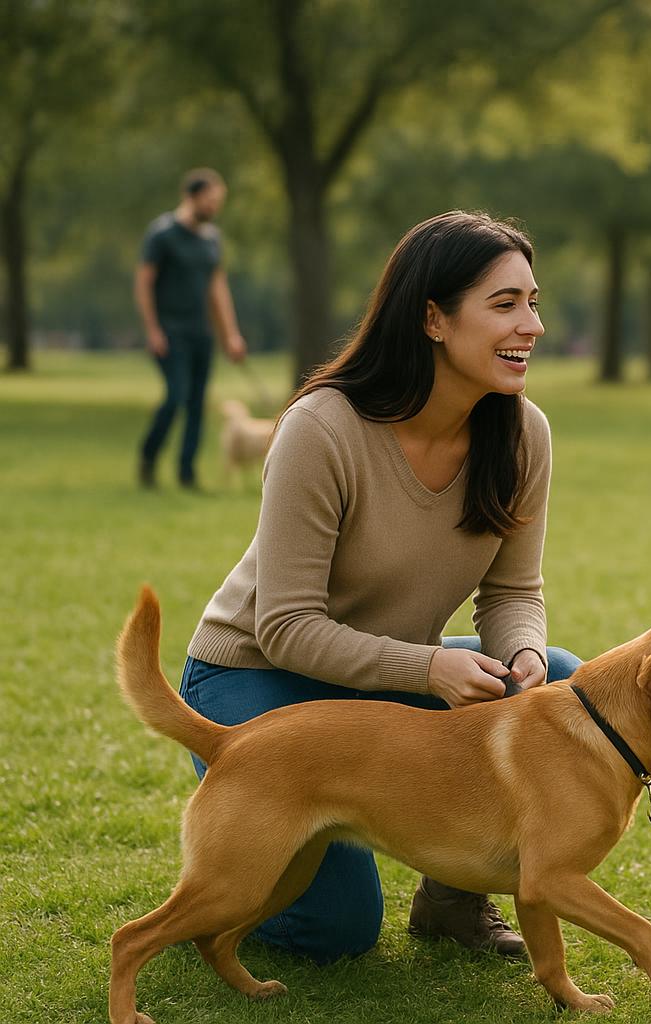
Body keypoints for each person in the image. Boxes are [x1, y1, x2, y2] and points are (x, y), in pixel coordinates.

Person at [177, 210, 581, 964]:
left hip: (375, 678)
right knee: (336, 931)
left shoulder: (524, 434)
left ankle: (453, 896)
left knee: (557, 680)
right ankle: (220, 883)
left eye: (533, 302)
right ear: (433, 317)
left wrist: (519, 653)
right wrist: (428, 667)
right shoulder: (321, 430)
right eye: (505, 305)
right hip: (254, 680)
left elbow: (512, 592)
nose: (532, 325)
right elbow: (285, 626)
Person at [134, 168, 248, 490]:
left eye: (218, 202)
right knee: (176, 396)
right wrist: (152, 329)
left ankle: (187, 473)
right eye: (210, 200)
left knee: (197, 403)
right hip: (170, 331)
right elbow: (144, 283)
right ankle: (149, 456)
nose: (214, 207)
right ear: (191, 196)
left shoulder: (211, 238)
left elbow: (217, 288)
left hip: (201, 333)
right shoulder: (162, 234)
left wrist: (231, 334)